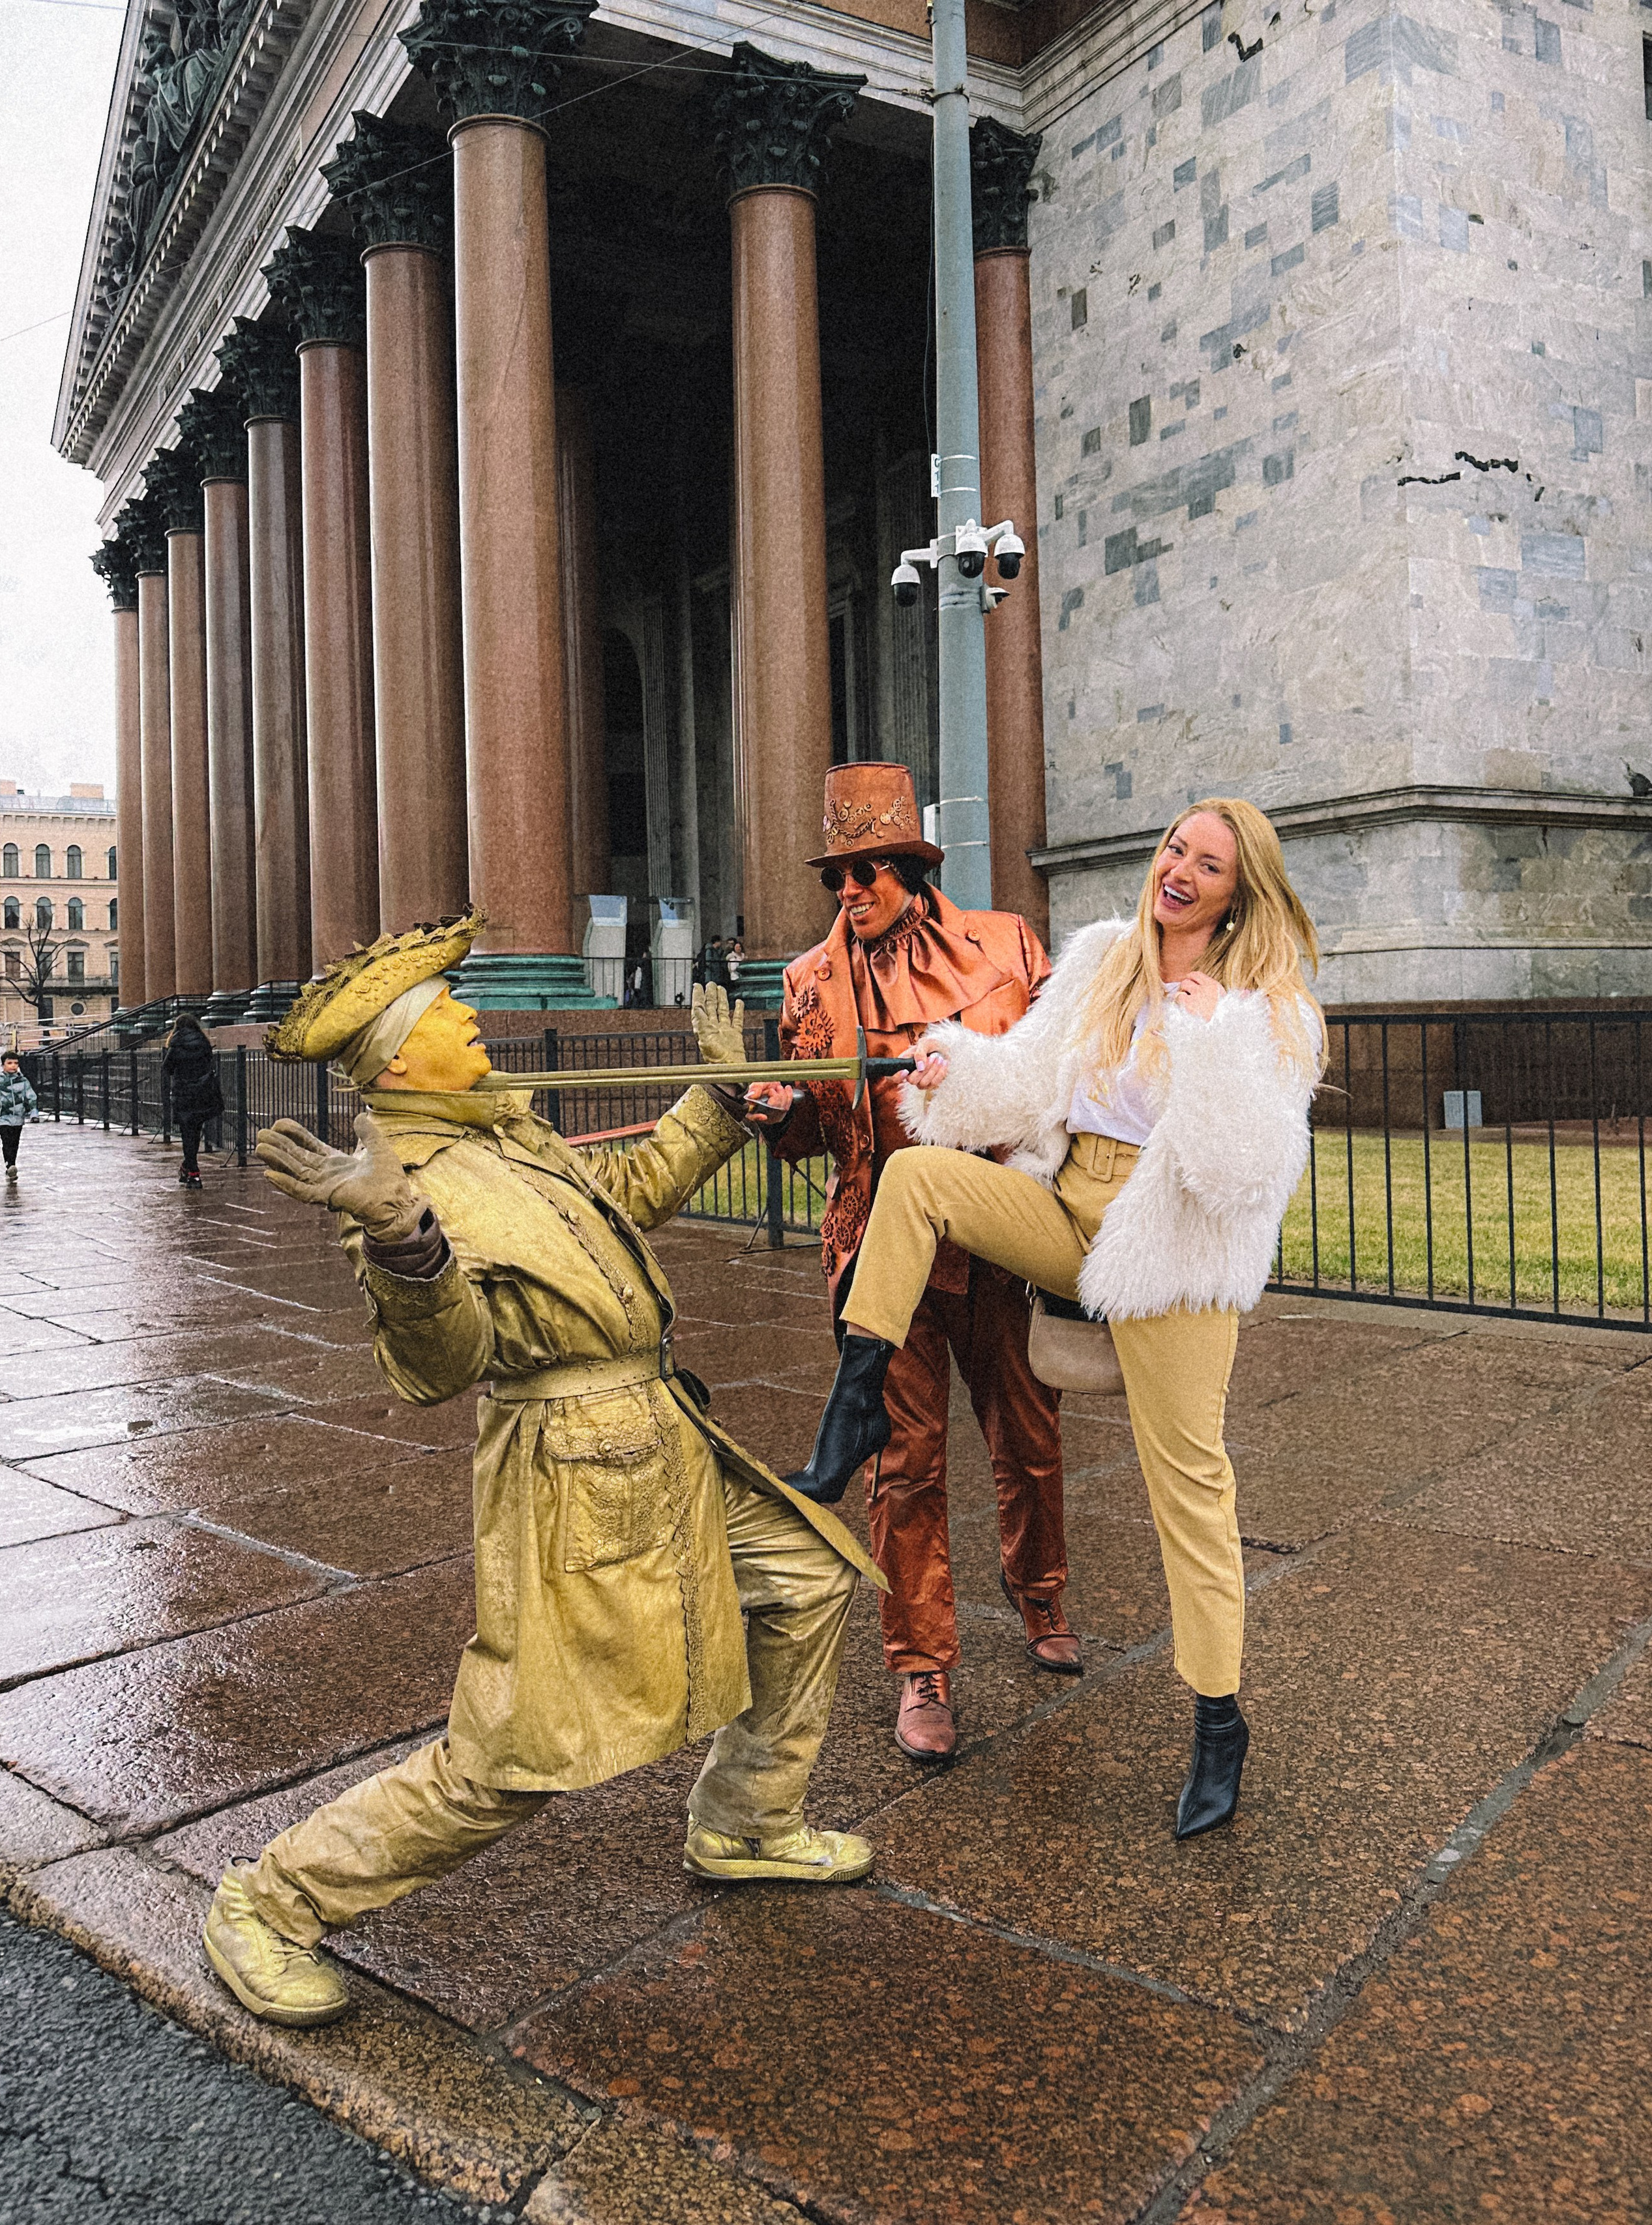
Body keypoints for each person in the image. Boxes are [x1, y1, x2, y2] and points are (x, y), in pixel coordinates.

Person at [199, 914, 879, 2031]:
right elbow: (440, 1365)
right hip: (574, 1475)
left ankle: (748, 1819)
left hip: (661, 1435)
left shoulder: (504, 1131)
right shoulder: (402, 1177)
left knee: (806, 1578)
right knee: (516, 1753)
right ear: (401, 1059)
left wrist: (716, 1099)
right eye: (448, 1008)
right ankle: (271, 1903)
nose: (472, 1015)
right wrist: (403, 1240)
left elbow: (631, 1189)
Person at [784, 799, 1325, 1839]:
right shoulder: (1105, 960)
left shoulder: (1271, 1008)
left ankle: (1219, 1721)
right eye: (1175, 848)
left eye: (1208, 865)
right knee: (919, 1178)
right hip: (1070, 1210)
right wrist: (953, 1069)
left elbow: (1241, 1170)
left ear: (1238, 892)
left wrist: (1211, 1034)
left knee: (1192, 1487)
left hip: (1173, 1249)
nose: (1178, 871)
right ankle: (856, 1405)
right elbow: (1028, 1078)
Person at [747, 762, 1068, 1766]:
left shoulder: (1007, 946)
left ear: (913, 871)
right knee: (904, 1463)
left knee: (1029, 1433)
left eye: (868, 871)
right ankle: (921, 1665)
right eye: (835, 876)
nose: (849, 891)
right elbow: (814, 1132)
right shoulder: (809, 982)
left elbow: (1060, 1070)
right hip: (883, 1253)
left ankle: (1041, 1591)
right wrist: (783, 1114)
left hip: (997, 1236)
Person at [161, 1013, 224, 1187]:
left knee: (187, 1133)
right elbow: (208, 1064)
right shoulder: (204, 1042)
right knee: (195, 1131)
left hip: (184, 1093)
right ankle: (189, 1167)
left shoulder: (176, 1043)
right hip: (202, 1093)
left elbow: (167, 1068)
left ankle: (193, 1172)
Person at [0, 1055, 37, 1180]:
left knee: (15, 1142)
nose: (13, 1066)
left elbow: (31, 1097)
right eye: (9, 1063)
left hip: (18, 1117)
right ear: (3, 1065)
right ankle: (9, 1165)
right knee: (7, 1140)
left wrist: (34, 1113)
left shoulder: (23, 1081)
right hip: (2, 1117)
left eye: (16, 1063)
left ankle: (12, 1165)